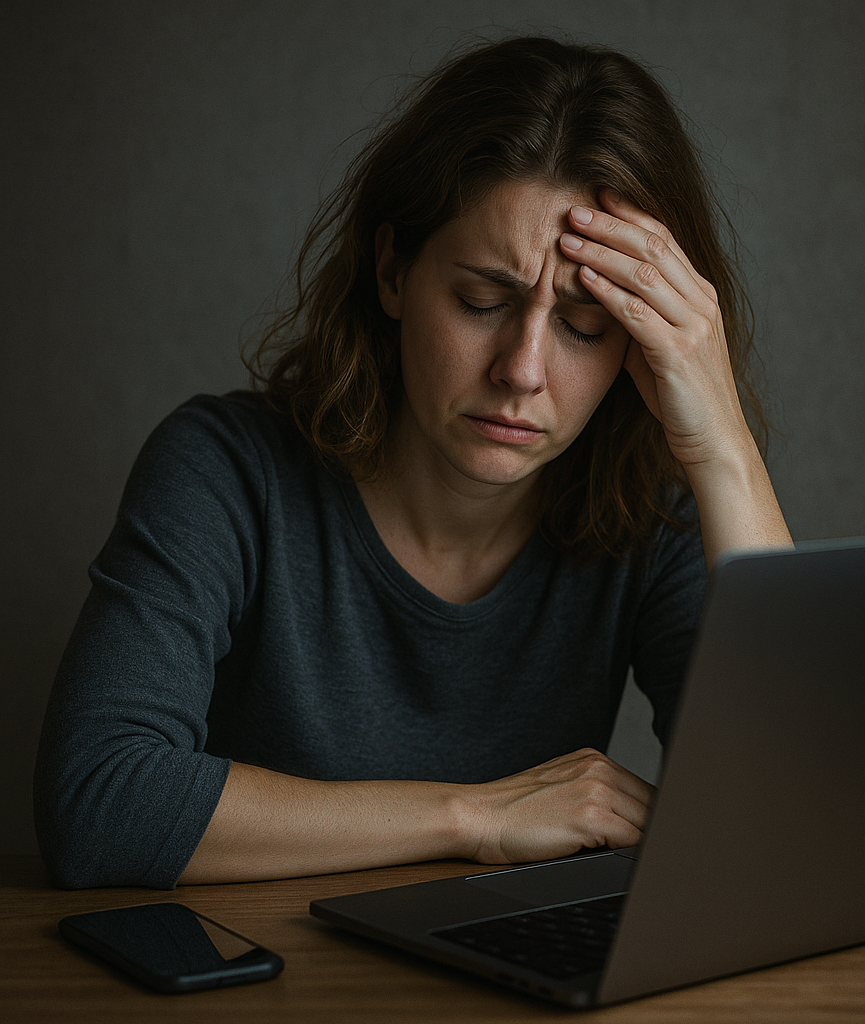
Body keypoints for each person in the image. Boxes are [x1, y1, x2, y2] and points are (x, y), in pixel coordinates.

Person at [33, 35, 792, 890]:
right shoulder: (225, 471)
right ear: (392, 271)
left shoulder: (651, 517)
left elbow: (801, 815)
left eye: (586, 328)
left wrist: (721, 446)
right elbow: (98, 803)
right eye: (481, 300)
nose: (522, 369)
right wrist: (475, 817)